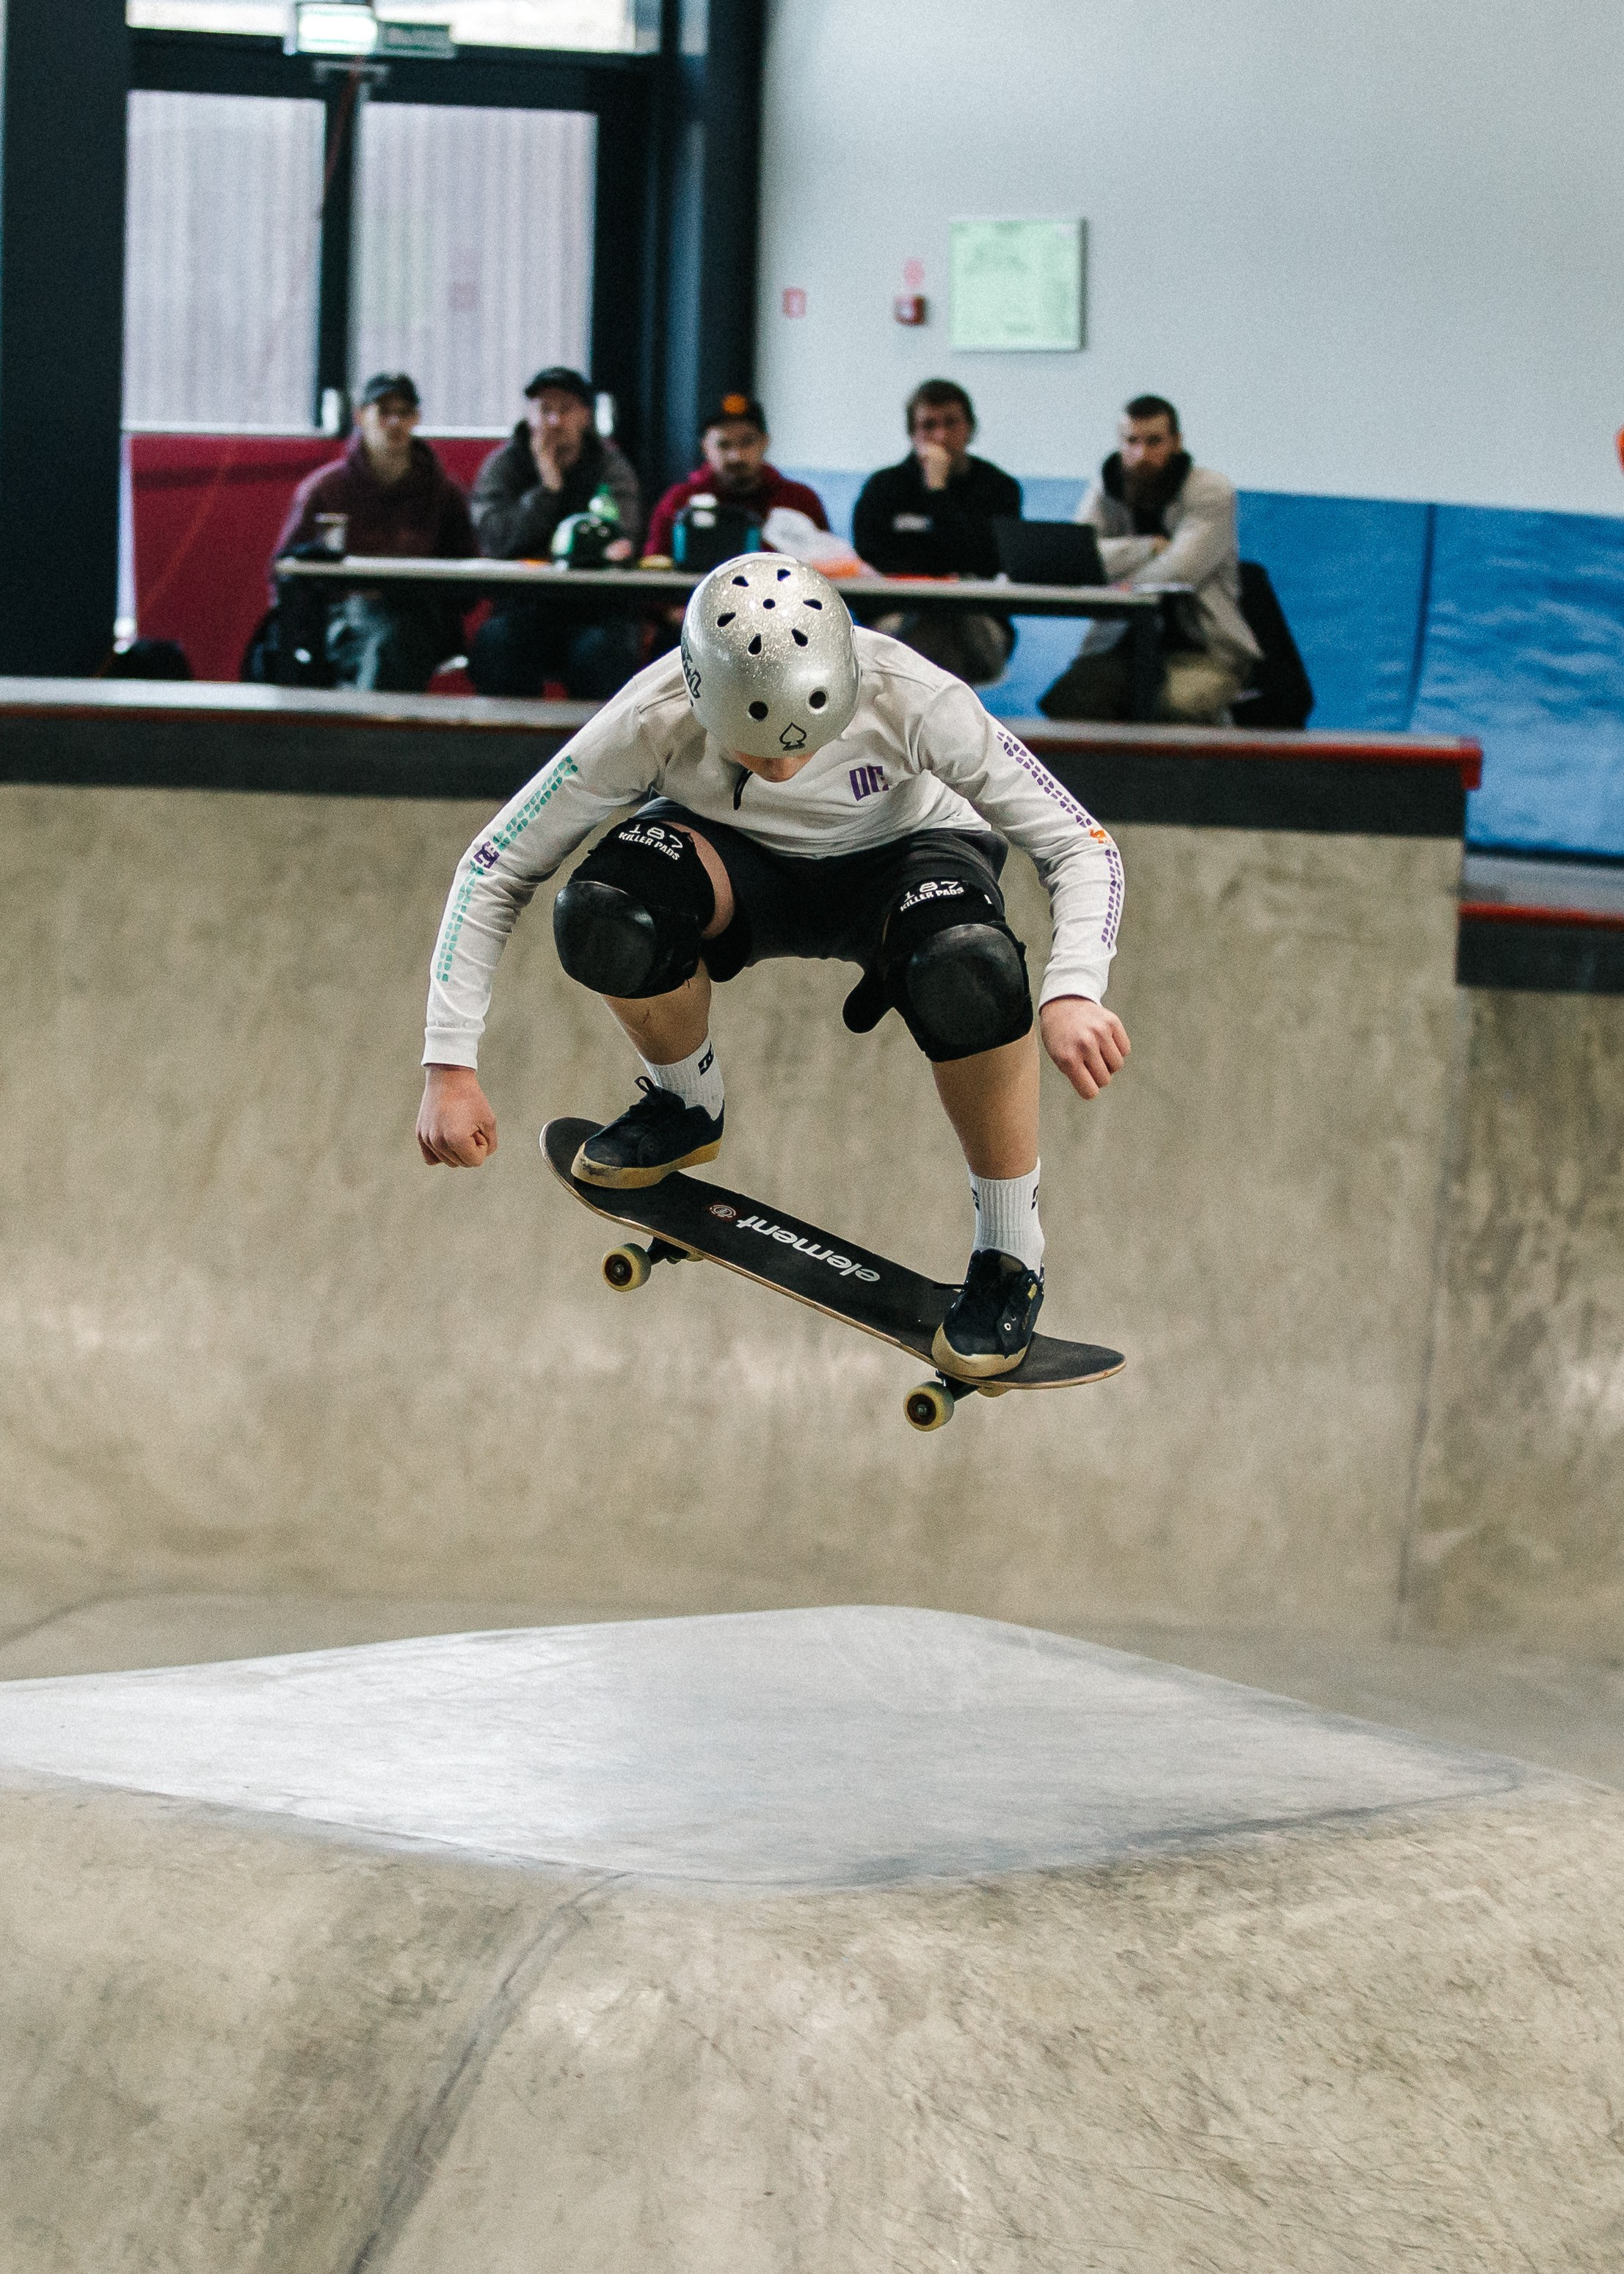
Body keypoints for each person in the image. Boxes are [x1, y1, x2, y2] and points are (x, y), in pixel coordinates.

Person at [416, 555, 1129, 1381]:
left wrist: (1074, 987)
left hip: (905, 859)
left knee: (967, 968)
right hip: (733, 862)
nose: (785, 770)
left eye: (802, 746)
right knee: (605, 912)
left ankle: (1009, 1252)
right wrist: (448, 1062)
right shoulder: (651, 713)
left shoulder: (916, 695)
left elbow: (1080, 843)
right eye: (753, 751)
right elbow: (496, 861)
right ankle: (686, 1103)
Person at [1038, 395, 1260, 723]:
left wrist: (1116, 572)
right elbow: (1078, 557)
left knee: (1173, 707)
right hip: (1118, 644)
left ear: (1177, 443)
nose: (1141, 455)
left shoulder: (1211, 490)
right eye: (1131, 441)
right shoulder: (1106, 486)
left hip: (1203, 650)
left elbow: (1179, 571)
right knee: (1067, 703)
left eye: (1154, 442)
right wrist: (1148, 548)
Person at [270, 373, 475, 692]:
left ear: (416, 419)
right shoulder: (324, 489)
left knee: (395, 642)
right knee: (379, 648)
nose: (394, 422)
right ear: (361, 416)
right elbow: (285, 572)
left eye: (404, 413)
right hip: (342, 621)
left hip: (419, 619)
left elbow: (468, 581)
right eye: (383, 412)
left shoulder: (445, 494)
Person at [468, 366, 644, 700]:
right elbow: (495, 541)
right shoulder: (503, 466)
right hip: (522, 606)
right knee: (497, 643)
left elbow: (623, 542)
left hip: (594, 609)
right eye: (545, 410)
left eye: (565, 410)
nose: (554, 422)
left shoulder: (612, 467)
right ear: (529, 416)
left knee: (604, 651)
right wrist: (547, 490)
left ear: (586, 417)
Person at [851, 379, 1022, 686]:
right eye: (929, 426)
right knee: (926, 621)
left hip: (976, 618)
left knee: (949, 616)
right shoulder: (883, 489)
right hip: (900, 615)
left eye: (951, 423)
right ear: (913, 434)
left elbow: (985, 560)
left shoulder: (999, 489)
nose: (941, 436)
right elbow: (871, 563)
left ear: (970, 428)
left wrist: (937, 491)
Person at [644, 393, 830, 562]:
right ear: (704, 448)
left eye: (747, 442)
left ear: (765, 443)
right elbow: (655, 568)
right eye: (723, 445)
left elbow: (828, 567)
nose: (736, 456)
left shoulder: (800, 500)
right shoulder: (678, 501)